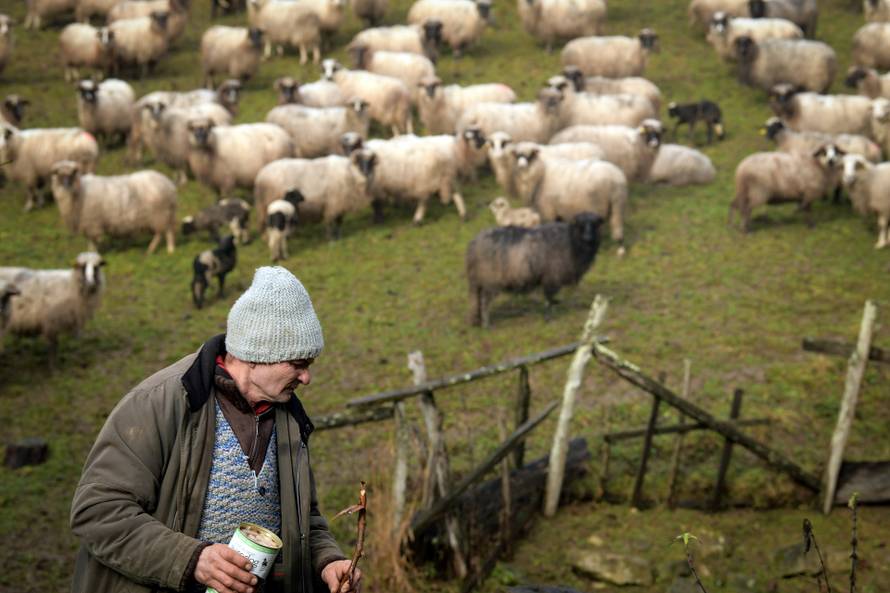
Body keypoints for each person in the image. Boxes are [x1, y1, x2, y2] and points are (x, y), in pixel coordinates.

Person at [70, 267, 361, 593]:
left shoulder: (289, 419)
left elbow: (304, 517)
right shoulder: (162, 403)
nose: (307, 378)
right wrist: (192, 559)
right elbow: (97, 511)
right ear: (257, 354)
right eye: (298, 364)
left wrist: (328, 561)